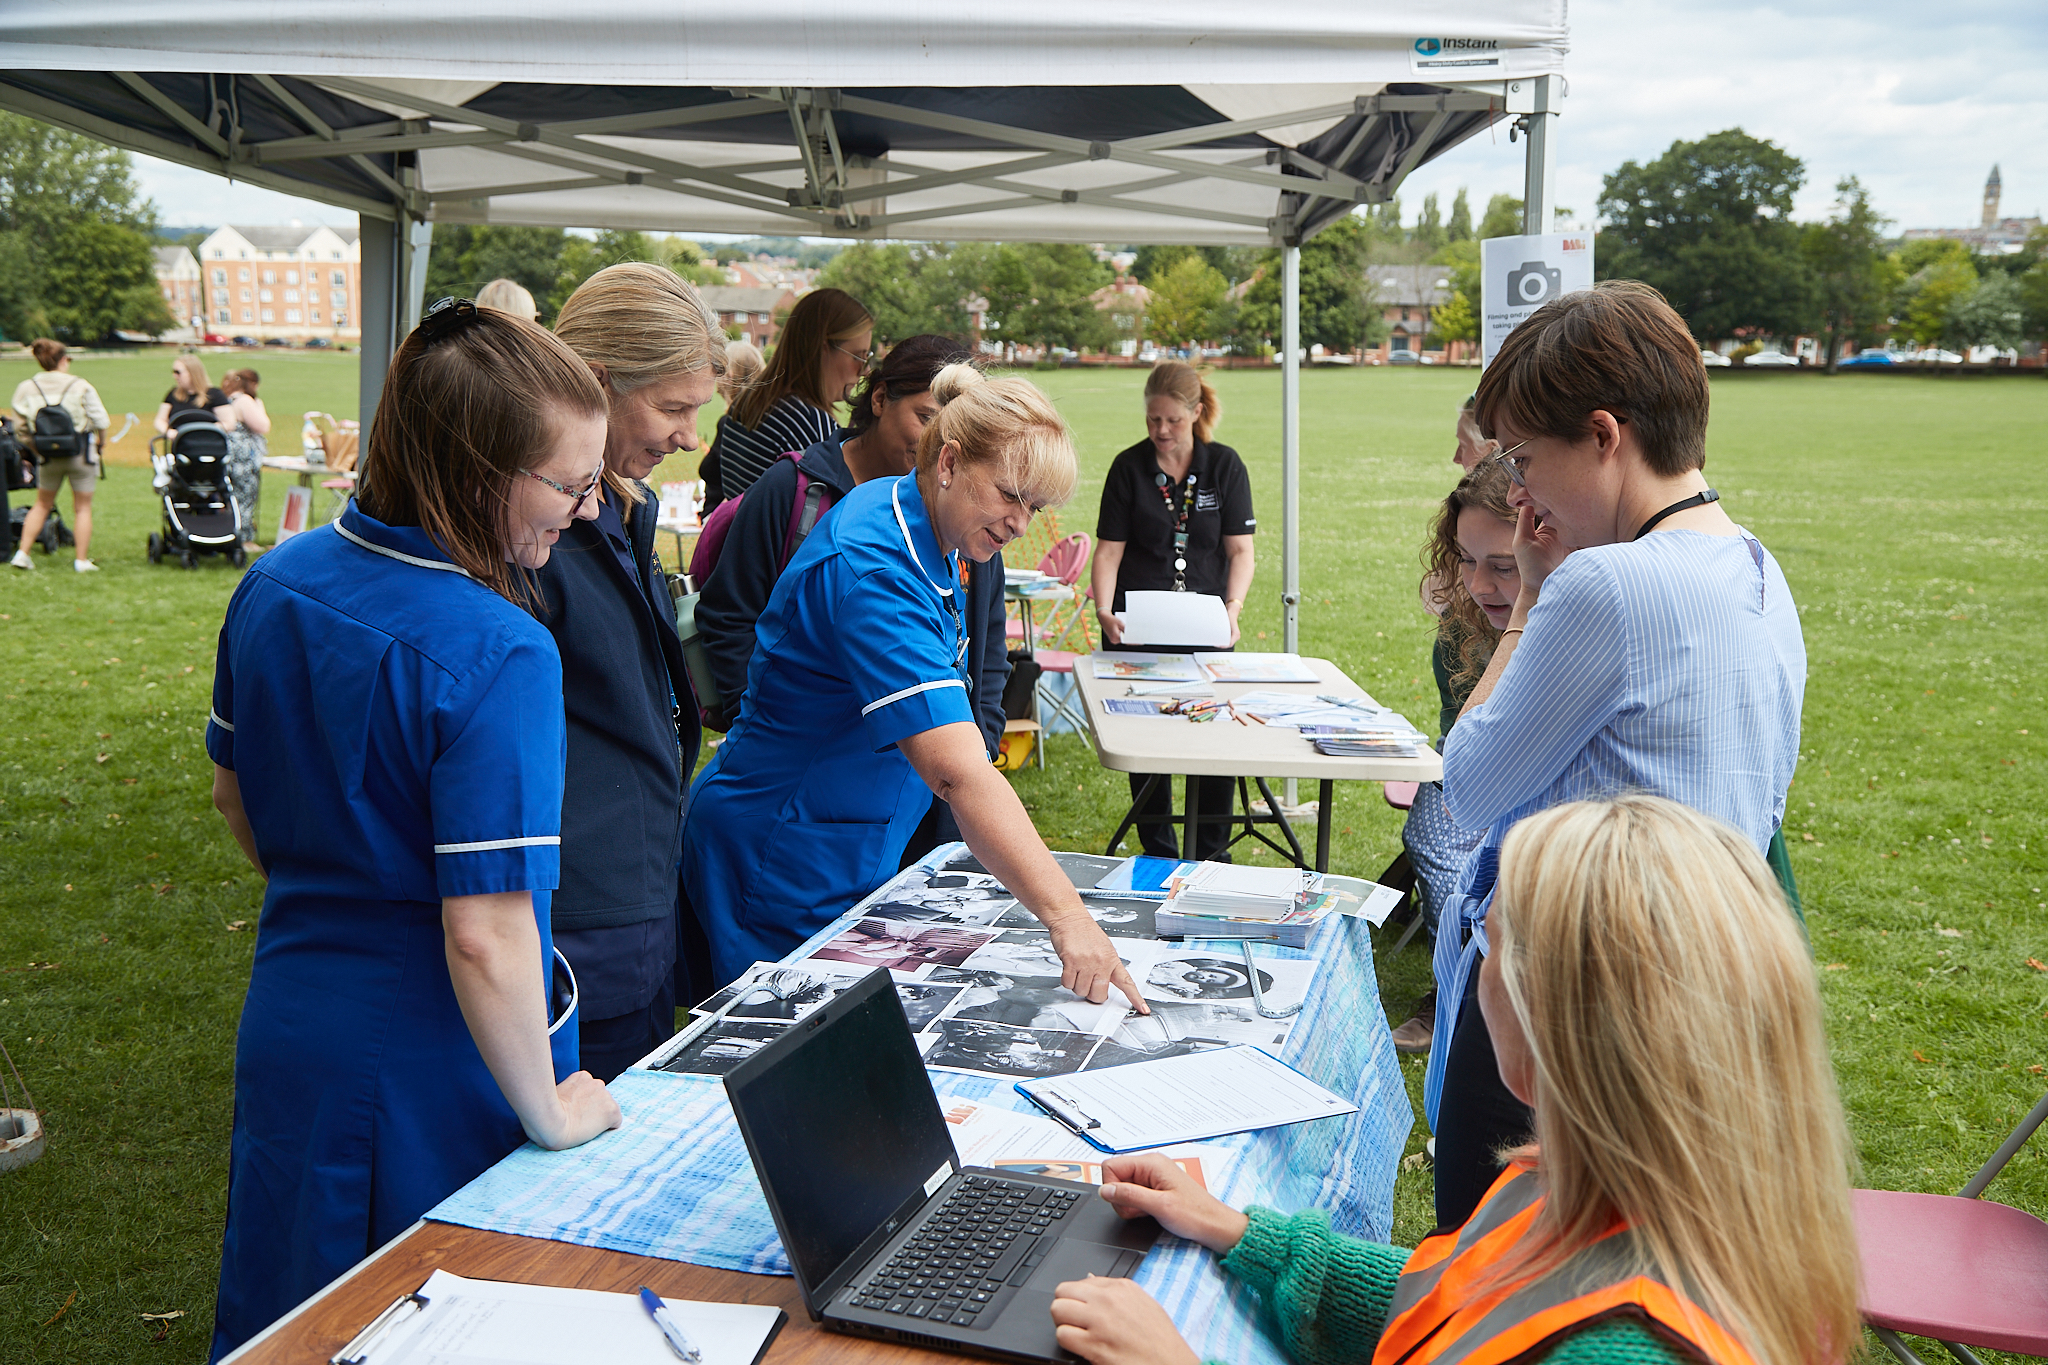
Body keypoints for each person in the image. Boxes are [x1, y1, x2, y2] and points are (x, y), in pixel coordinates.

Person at [1050, 796, 1860, 1365]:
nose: (1472, 965)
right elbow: (1459, 1309)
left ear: (1559, 1023)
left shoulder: (1632, 1345)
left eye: (1488, 938)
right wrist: (1243, 1233)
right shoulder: (1616, 1181)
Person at [203, 298, 623, 1360]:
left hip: (297, 1009)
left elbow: (234, 799)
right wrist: (549, 1110)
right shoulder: (501, 647)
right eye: (570, 484)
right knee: (419, 1321)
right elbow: (483, 929)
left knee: (287, 1303)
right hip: (426, 1055)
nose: (583, 513)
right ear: (478, 466)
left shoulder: (275, 576)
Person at [1427, 280, 1806, 1229]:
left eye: (1524, 456)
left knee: (1491, 1281)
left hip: (1563, 1006)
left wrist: (1530, 603)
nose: (1519, 491)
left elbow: (1468, 781)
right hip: (1693, 998)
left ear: (1604, 435)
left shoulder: (1606, 584)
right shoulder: (1756, 564)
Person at [681, 365, 1144, 1010]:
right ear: (949, 460)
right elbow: (958, 772)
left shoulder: (925, 521)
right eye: (1011, 495)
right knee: (787, 1051)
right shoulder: (876, 568)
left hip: (842, 840)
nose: (1019, 523)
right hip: (784, 855)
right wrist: (1068, 919)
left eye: (1034, 507)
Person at [695, 335, 1011, 855]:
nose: (937, 441)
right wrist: (764, 721)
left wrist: (974, 748)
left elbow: (986, 651)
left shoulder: (973, 528)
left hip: (912, 806)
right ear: (880, 399)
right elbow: (728, 616)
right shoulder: (803, 498)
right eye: (926, 417)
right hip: (801, 817)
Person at [540, 263, 724, 1078]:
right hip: (577, 921)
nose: (690, 436)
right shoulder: (533, 529)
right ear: (598, 382)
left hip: (632, 903)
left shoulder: (619, 502)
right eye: (674, 407)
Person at [1091, 362, 1255, 860]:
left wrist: (1233, 608)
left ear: (1196, 413)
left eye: (1172, 421)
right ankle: (1158, 852)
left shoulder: (1224, 466)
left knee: (1213, 739)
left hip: (1206, 630)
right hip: (1137, 631)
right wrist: (1103, 609)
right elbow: (1109, 551)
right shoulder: (1128, 468)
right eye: (1152, 421)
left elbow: (1240, 551)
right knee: (1147, 742)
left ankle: (1211, 853)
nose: (1161, 432)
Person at [1389, 463, 1519, 1054]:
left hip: (1535, 781)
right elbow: (1459, 731)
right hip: (1467, 762)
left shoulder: (1576, 616)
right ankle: (1456, 988)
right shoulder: (1459, 623)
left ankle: (1484, 990)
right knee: (1436, 840)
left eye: (1503, 565)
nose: (1479, 584)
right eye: (1466, 560)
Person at [705, 286, 871, 504]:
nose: (865, 370)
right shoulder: (813, 423)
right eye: (858, 357)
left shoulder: (747, 402)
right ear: (822, 349)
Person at [10, 338, 110, 572]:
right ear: (64, 359)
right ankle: (81, 560)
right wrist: (100, 443)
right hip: (80, 453)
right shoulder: (80, 385)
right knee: (82, 507)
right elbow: (101, 420)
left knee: (42, 504)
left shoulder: (27, 387)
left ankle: (23, 553)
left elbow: (20, 428)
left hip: (47, 455)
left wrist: (35, 448)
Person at [219, 369, 269, 554]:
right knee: (245, 497)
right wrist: (259, 405)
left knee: (229, 497)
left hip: (226, 456)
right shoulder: (244, 401)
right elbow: (262, 426)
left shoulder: (225, 401)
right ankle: (244, 539)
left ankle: (226, 534)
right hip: (243, 459)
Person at [155, 352, 237, 434]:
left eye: (178, 372)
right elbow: (160, 420)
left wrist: (208, 430)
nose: (175, 376)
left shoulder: (214, 394)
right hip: (180, 442)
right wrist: (169, 432)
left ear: (192, 373)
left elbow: (230, 423)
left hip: (208, 442)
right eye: (173, 372)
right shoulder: (174, 394)